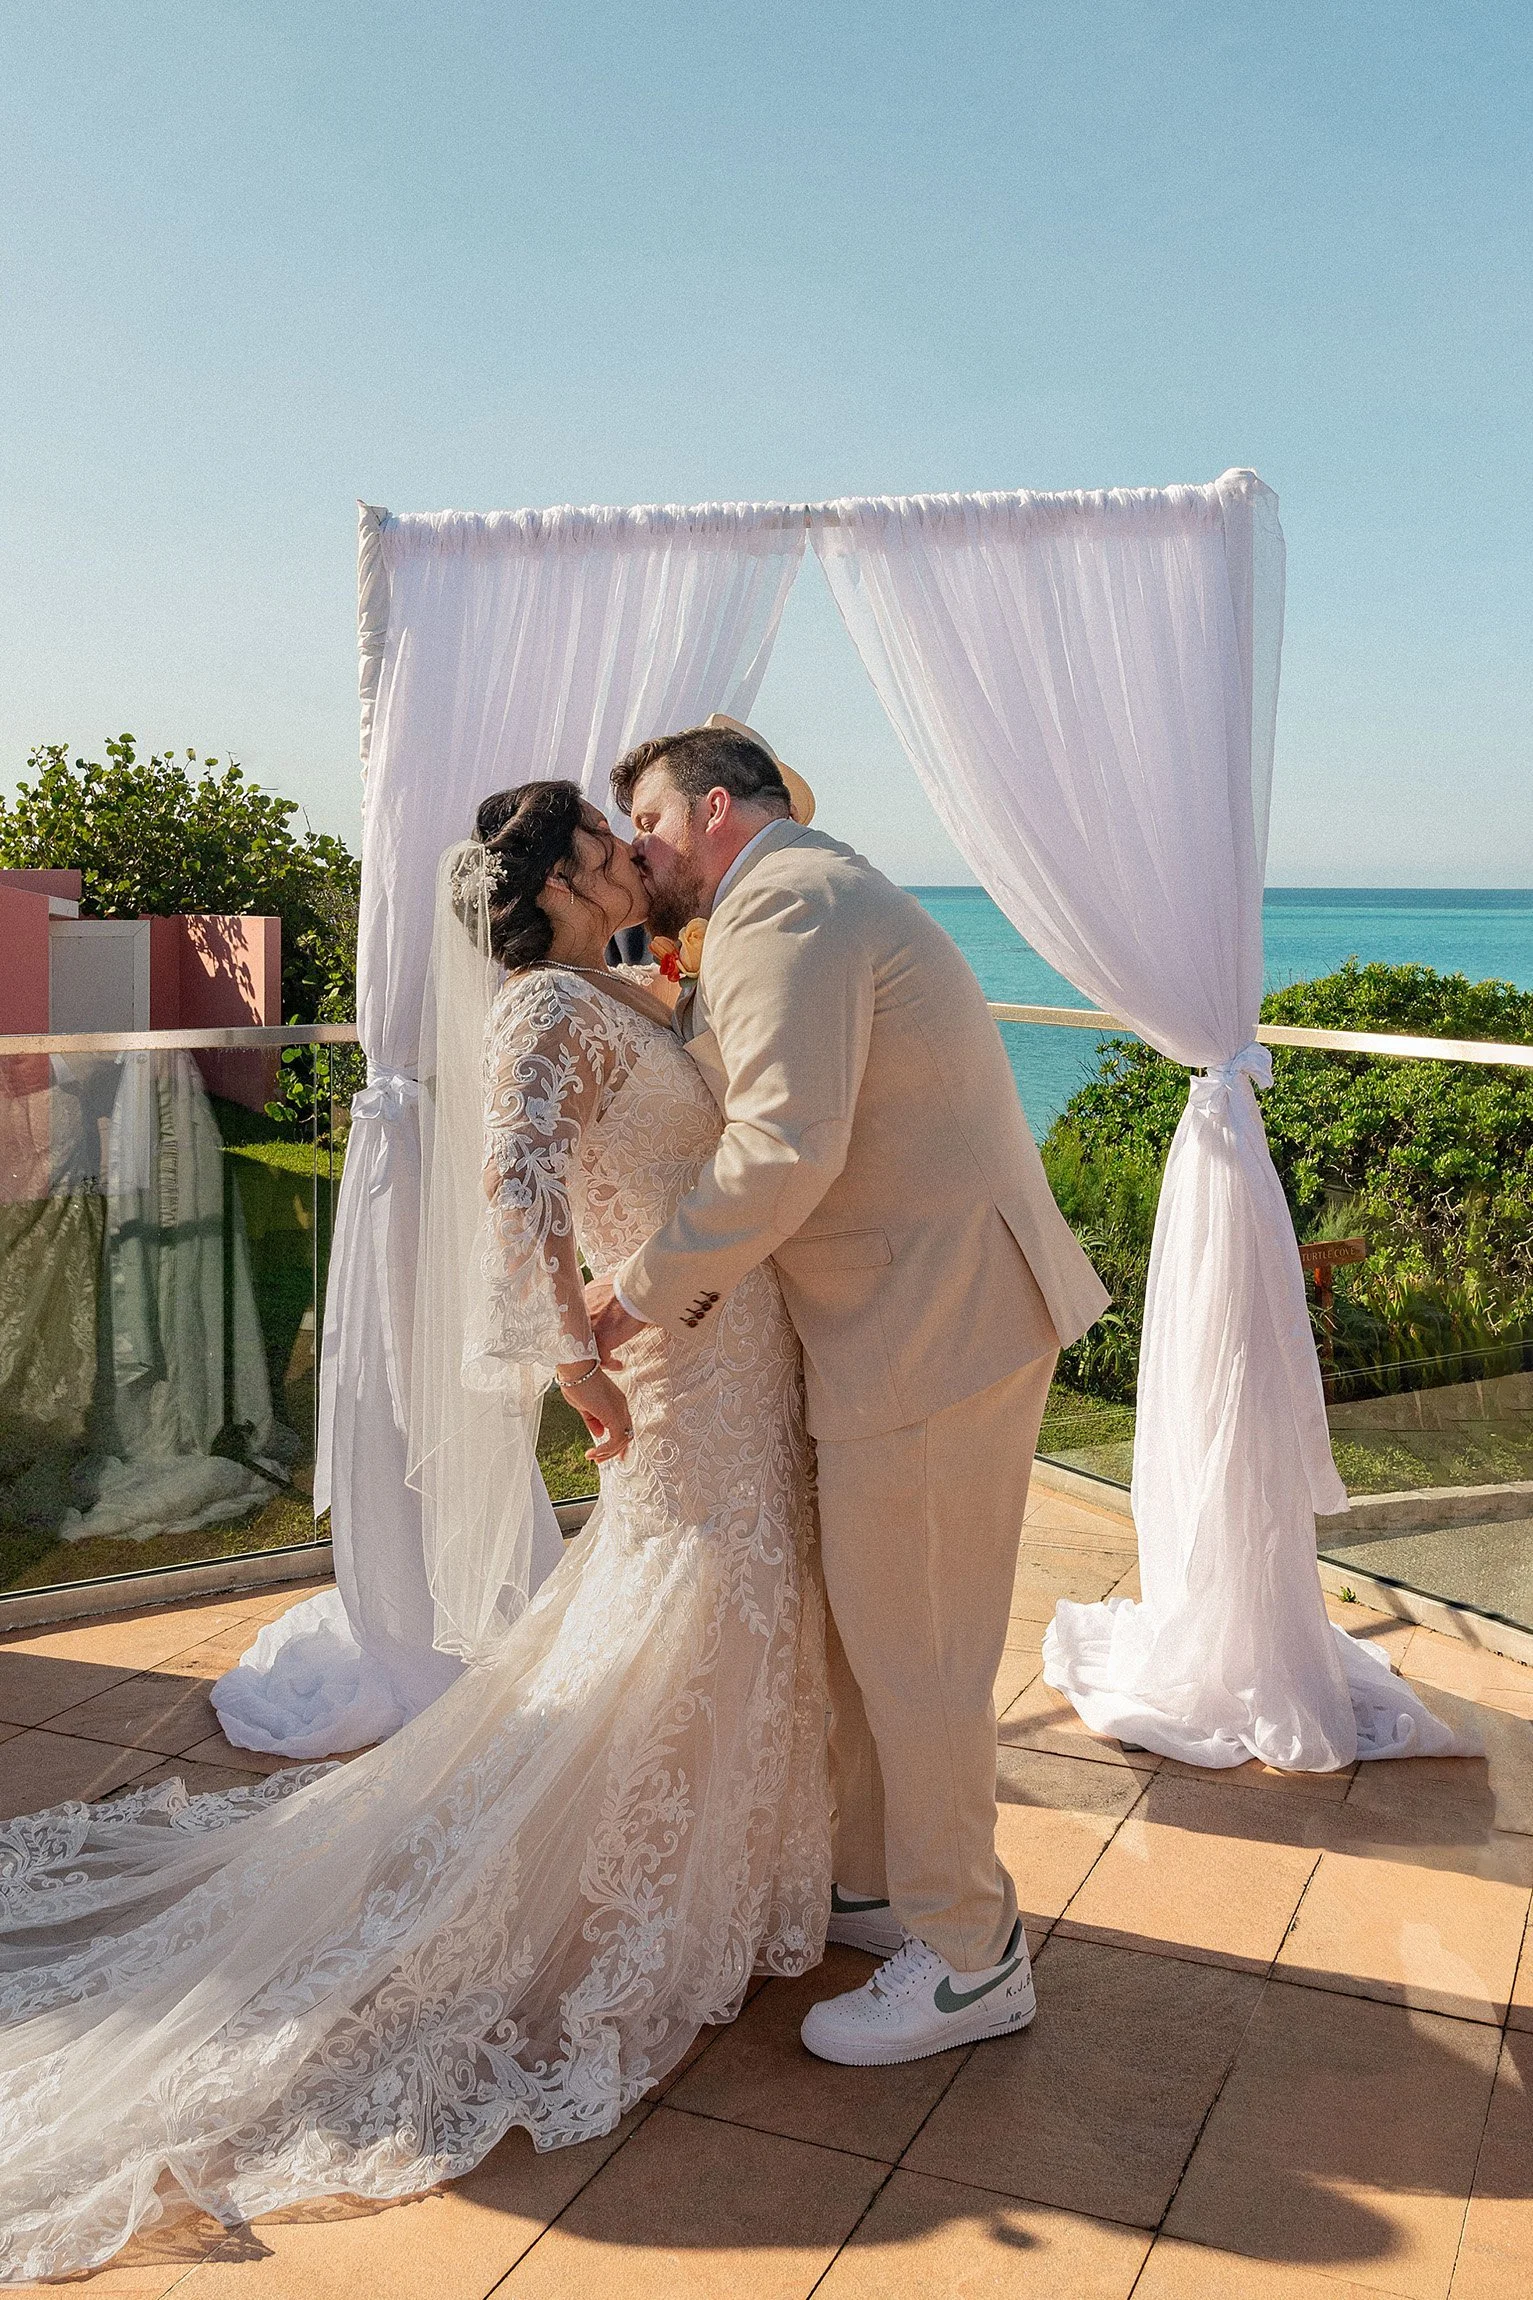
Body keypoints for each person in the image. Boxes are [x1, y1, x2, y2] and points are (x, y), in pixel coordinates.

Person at [0, 782, 828, 2286]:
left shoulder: (615, 991)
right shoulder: (536, 1017)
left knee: (718, 1598)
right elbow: (511, 1212)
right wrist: (580, 1369)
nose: (624, 866)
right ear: (558, 886)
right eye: (601, 853)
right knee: (684, 1595)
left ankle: (724, 1875)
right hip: (668, 1362)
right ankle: (612, 1901)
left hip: (732, 1342)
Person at [590, 717, 1108, 2068]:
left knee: (919, 1647)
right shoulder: (797, 898)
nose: (635, 848)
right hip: (920, 1317)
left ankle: (969, 1953)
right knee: (880, 1630)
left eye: (643, 816)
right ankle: (879, 1886)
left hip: (933, 1327)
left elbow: (781, 1149)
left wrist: (631, 1295)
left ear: (712, 808)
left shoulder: (790, 906)